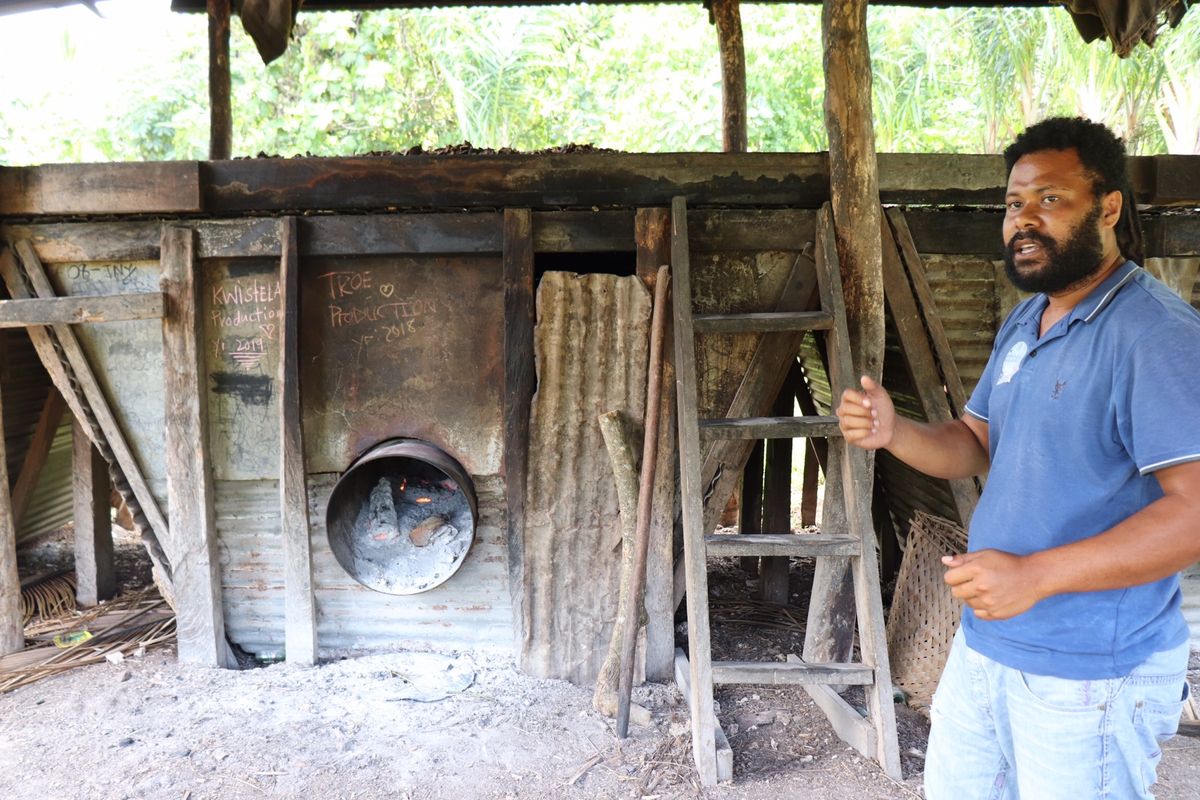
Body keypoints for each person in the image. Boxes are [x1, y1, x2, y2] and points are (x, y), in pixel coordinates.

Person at [836, 116, 1200, 799]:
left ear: (1109, 206)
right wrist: (893, 431)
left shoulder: (1156, 336)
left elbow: (1195, 513)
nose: (1023, 220)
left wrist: (1034, 575)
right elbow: (974, 443)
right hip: (989, 648)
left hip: (1091, 668)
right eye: (1013, 204)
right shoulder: (1026, 322)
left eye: (1050, 199)